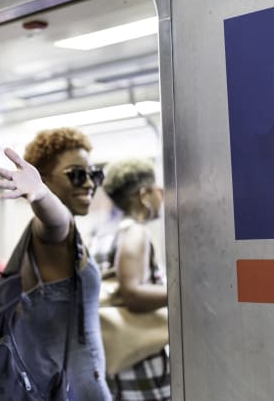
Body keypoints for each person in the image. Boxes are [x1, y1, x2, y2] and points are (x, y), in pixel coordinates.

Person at [0, 127, 112, 399]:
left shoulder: (67, 242)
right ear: (44, 179)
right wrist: (42, 195)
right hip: (72, 391)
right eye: (77, 174)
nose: (89, 183)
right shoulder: (50, 233)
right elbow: (56, 222)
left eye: (94, 174)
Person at [101, 158, 170, 400]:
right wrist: (186, 292)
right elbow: (131, 293)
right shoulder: (135, 232)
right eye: (157, 189)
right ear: (144, 195)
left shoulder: (105, 235)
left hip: (116, 359)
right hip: (141, 363)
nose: (162, 194)